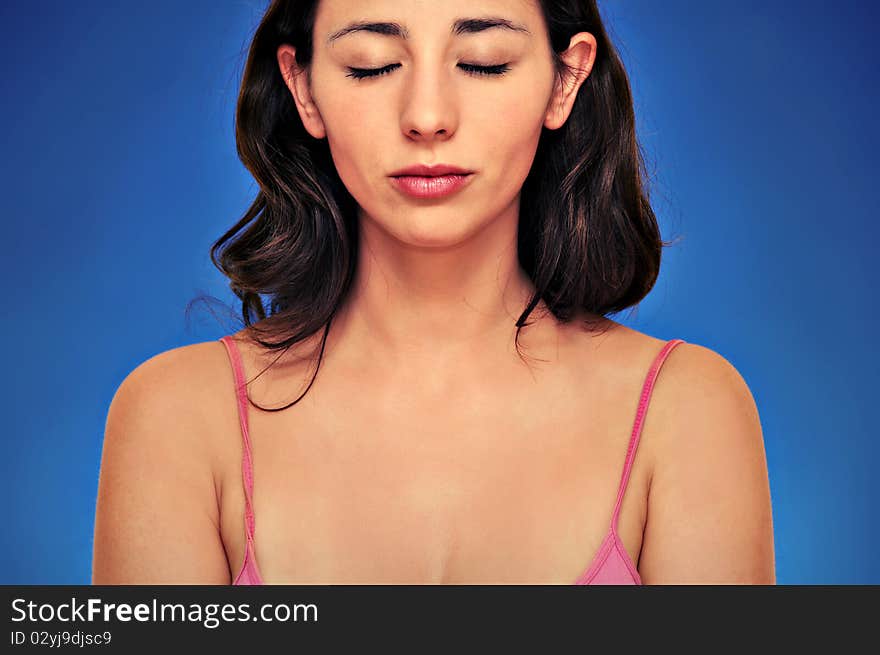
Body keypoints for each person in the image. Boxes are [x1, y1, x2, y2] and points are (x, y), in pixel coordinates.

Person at [92, 0, 775, 585]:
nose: (426, 116)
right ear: (302, 87)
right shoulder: (175, 420)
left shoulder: (685, 413)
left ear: (565, 79)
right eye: (370, 65)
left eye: (482, 62)